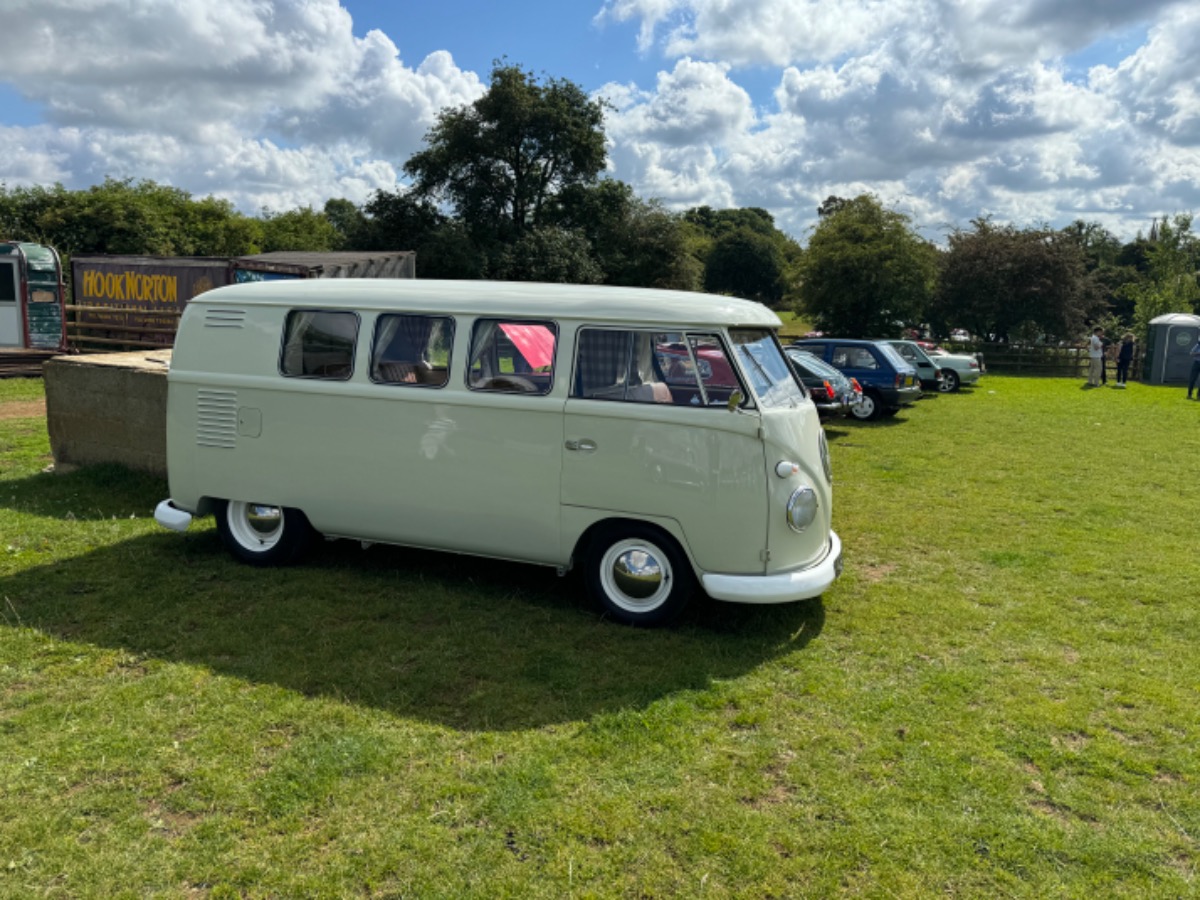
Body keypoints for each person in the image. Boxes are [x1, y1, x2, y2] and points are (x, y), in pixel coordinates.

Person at [1188, 335, 1200, 399]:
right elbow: (1191, 353)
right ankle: (1189, 394)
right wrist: (1198, 353)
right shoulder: (1198, 345)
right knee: (1192, 379)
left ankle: (1199, 395)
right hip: (1197, 363)